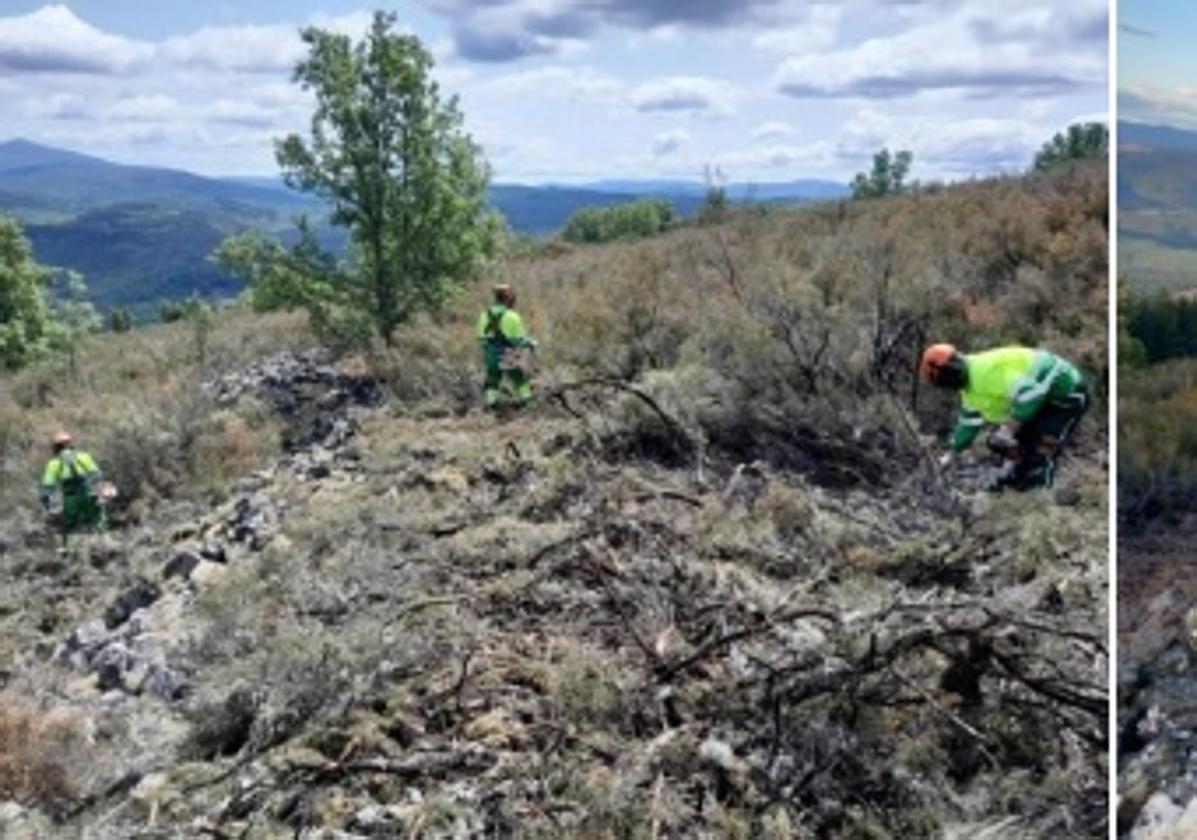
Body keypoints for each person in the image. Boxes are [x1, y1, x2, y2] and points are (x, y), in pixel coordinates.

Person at [920, 344, 1088, 491]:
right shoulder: (969, 390)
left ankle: (1040, 492)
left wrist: (1009, 428)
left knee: (1045, 445)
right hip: (1040, 401)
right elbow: (968, 424)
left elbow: (1030, 395)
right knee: (1009, 443)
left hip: (1066, 394)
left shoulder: (985, 372)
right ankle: (1017, 477)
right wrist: (951, 455)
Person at [40, 431, 106, 551]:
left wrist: (45, 501)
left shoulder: (53, 463)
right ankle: (106, 547)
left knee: (69, 526)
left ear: (55, 447)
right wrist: (99, 492)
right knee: (98, 520)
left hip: (71, 498)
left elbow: (48, 486)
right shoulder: (84, 456)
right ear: (70, 444)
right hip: (89, 493)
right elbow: (97, 475)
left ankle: (68, 554)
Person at [477, 283, 537, 409]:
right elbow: (519, 340)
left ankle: (491, 404)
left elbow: (481, 339)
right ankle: (528, 402)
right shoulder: (512, 316)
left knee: (492, 378)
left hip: (490, 353)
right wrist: (531, 343)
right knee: (518, 377)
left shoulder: (484, 315)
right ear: (508, 298)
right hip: (508, 352)